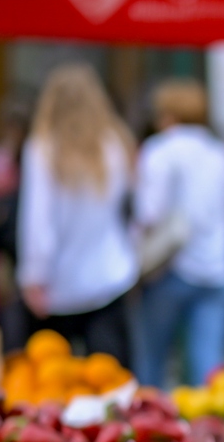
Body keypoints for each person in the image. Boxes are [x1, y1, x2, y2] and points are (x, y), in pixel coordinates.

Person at [17, 64, 138, 365]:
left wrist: (34, 275)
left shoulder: (42, 150)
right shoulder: (114, 145)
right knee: (110, 378)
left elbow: (39, 221)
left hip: (60, 283)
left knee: (55, 380)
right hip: (110, 275)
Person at [133, 79, 224, 388]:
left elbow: (149, 213)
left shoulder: (160, 150)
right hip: (219, 270)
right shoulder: (220, 153)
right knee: (209, 371)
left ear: (167, 114)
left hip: (172, 268)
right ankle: (211, 419)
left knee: (152, 364)